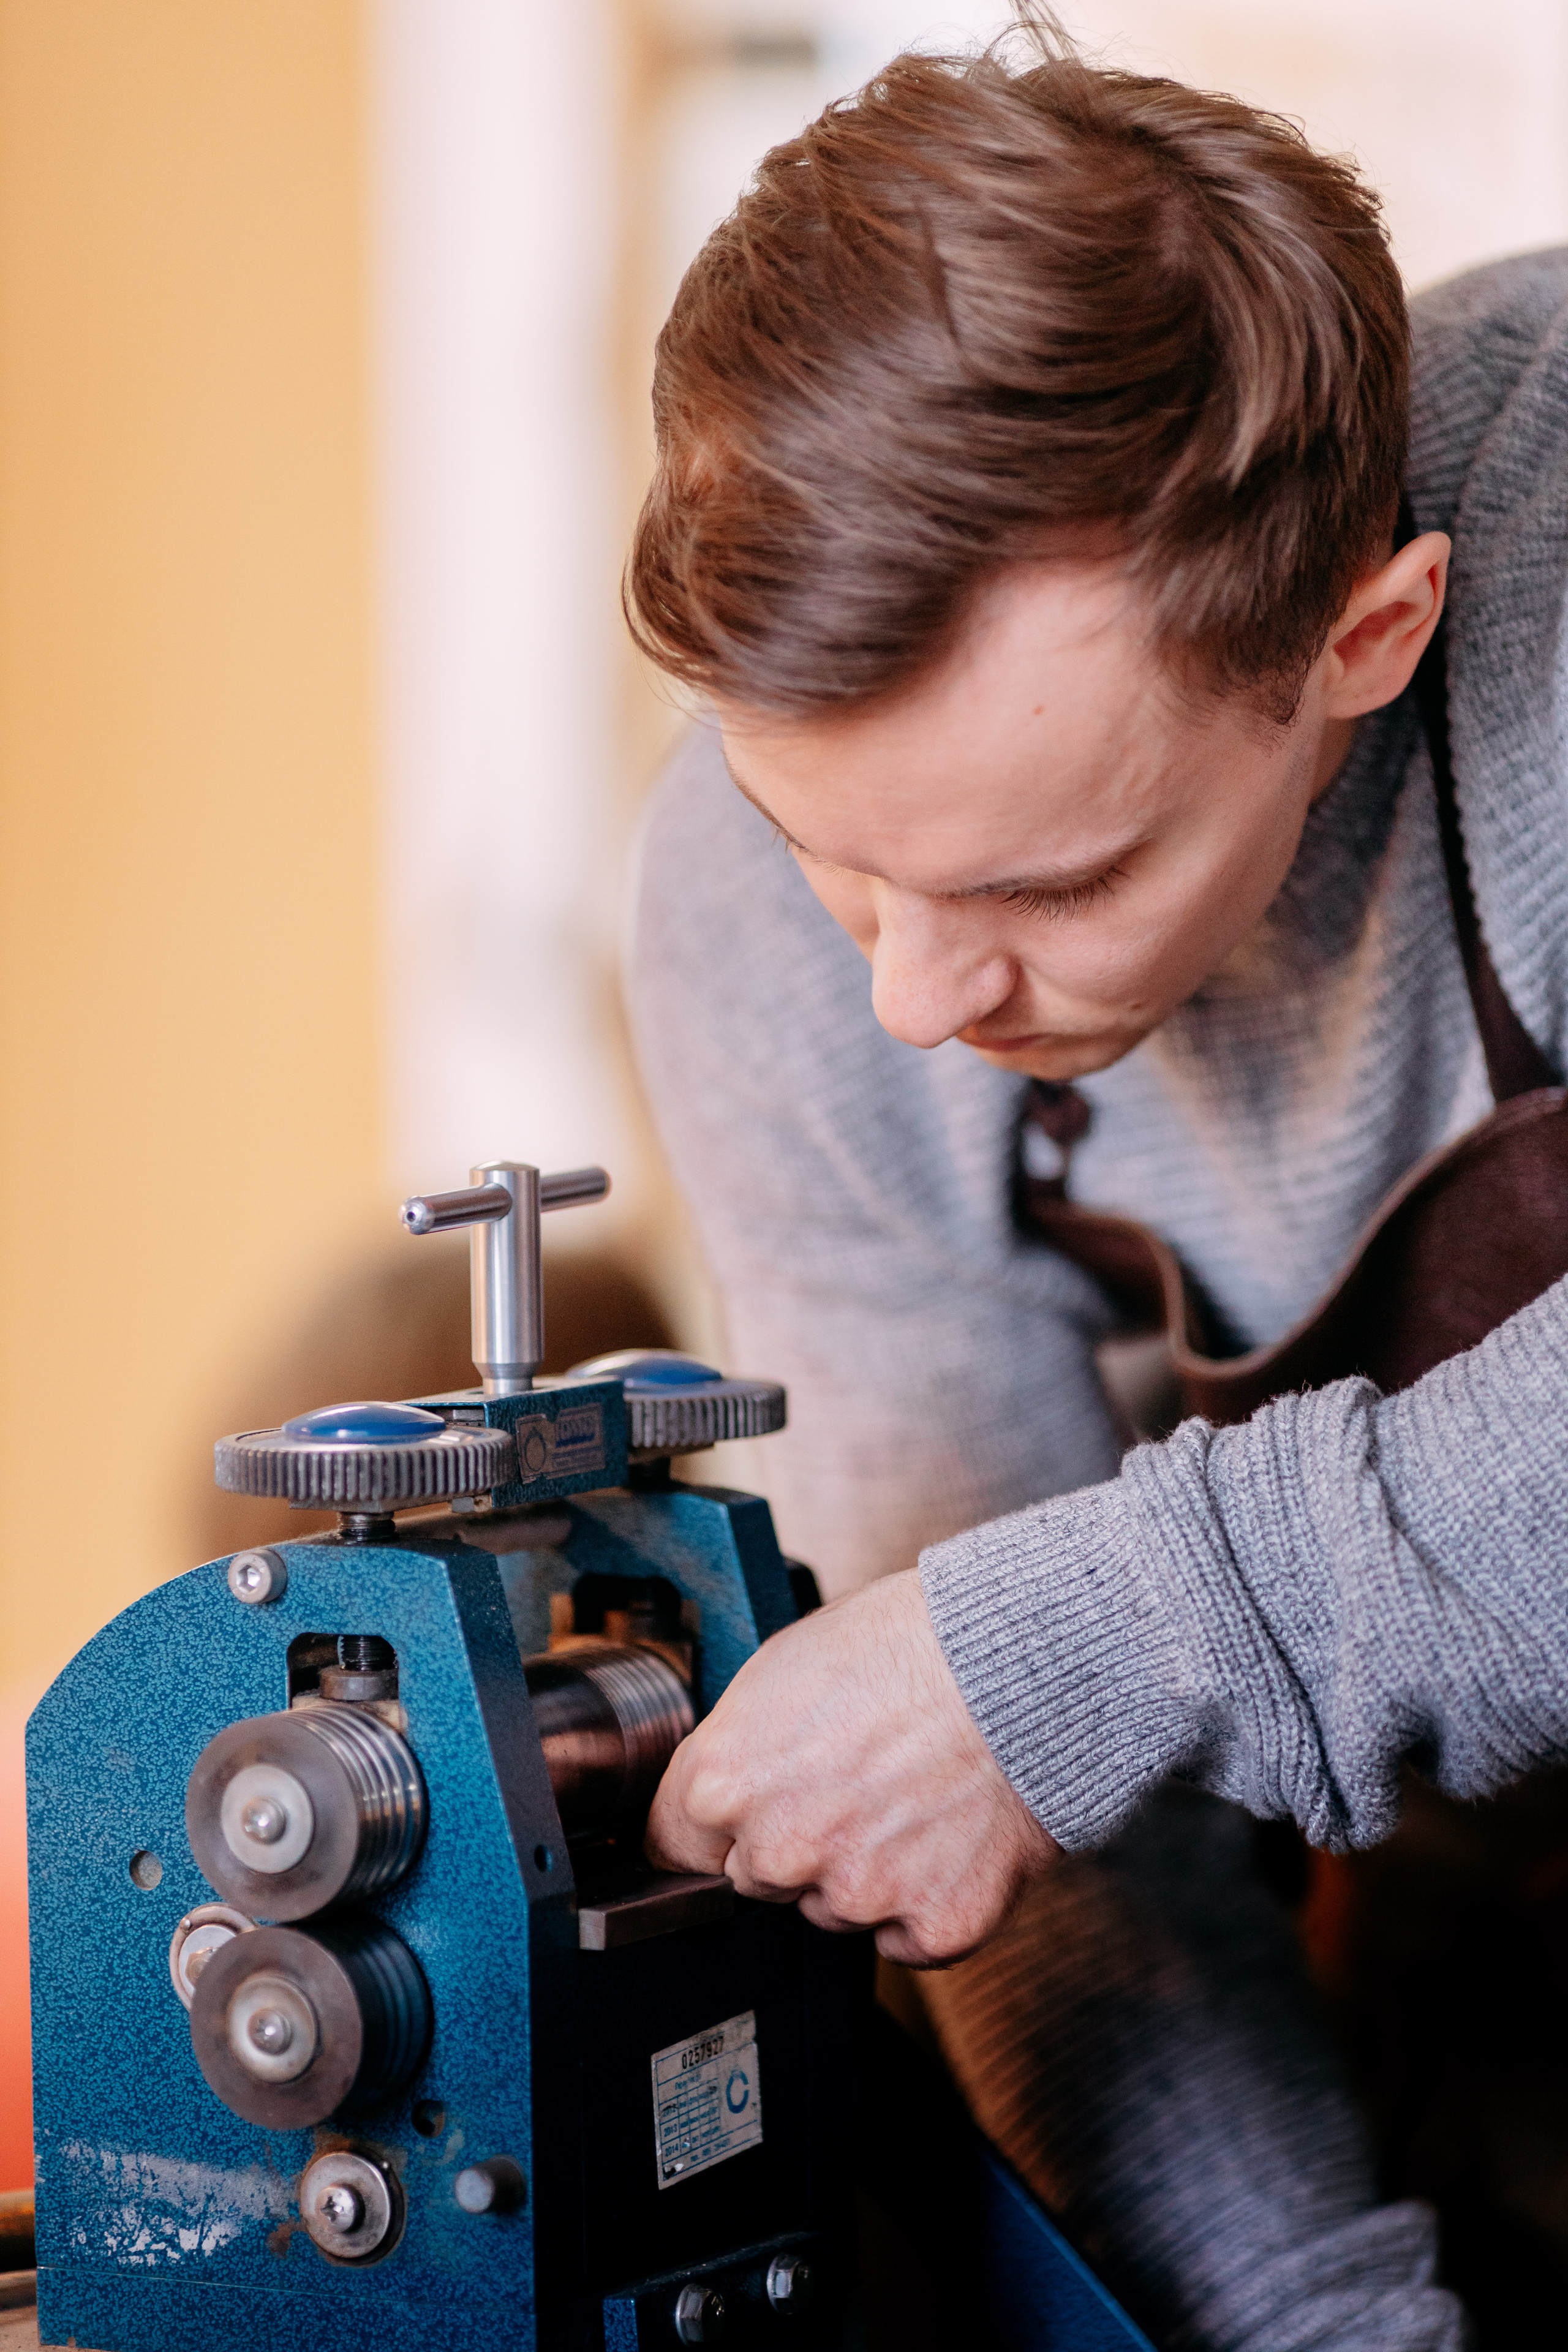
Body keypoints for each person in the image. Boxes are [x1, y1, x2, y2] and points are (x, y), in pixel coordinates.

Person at [624, 18, 1568, 2347]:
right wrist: (1311, 2329)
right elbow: (1030, 1824)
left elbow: (1035, 1675)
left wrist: (1088, 1637)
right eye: (832, 854)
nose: (914, 1005)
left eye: (1051, 879)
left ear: (1372, 634)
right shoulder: (752, 933)